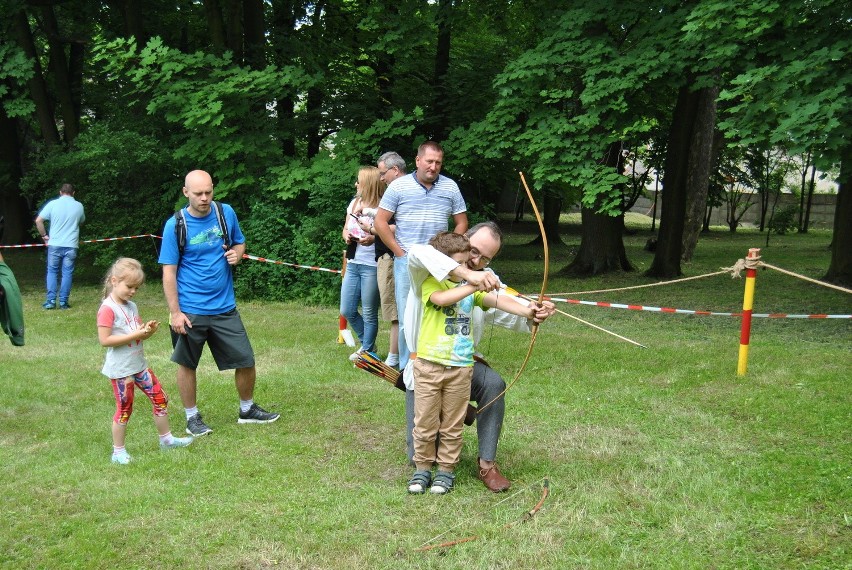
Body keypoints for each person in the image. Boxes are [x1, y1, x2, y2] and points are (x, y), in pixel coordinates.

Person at [406, 221, 556, 492]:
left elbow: (503, 303)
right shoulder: (427, 269)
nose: (477, 261)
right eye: (473, 251)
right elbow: (417, 252)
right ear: (463, 240)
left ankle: (487, 463)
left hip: (462, 366)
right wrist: (468, 275)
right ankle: (426, 464)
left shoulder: (484, 279)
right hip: (425, 364)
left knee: (493, 384)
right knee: (418, 446)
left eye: (485, 258)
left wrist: (533, 311)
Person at [159, 170, 279, 437]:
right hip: (190, 309)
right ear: (185, 192)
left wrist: (237, 254)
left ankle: (247, 410)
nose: (204, 198)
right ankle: (192, 417)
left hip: (225, 306)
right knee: (187, 364)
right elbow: (169, 271)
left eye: (208, 192)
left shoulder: (225, 214)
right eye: (198, 193)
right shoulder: (176, 225)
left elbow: (239, 242)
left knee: (246, 359)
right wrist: (175, 312)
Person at [97, 258, 193, 464]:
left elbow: (137, 334)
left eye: (136, 288)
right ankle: (118, 452)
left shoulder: (131, 306)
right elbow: (105, 340)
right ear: (114, 281)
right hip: (122, 370)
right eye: (129, 286)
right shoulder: (107, 309)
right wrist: (135, 335)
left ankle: (166, 440)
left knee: (160, 399)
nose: (132, 292)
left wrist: (147, 331)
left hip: (139, 366)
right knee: (124, 409)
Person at [356, 152, 407, 367]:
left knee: (395, 309)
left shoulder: (402, 190)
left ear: (395, 170)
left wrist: (372, 229)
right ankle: (399, 355)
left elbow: (399, 225)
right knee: (394, 308)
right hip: (389, 256)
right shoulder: (402, 190)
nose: (381, 178)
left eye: (383, 173)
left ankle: (396, 357)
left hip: (393, 257)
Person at [340, 166, 383, 361]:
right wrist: (347, 236)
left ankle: (366, 351)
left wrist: (373, 239)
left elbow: (388, 233)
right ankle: (368, 343)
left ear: (368, 184)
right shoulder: (354, 203)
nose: (356, 184)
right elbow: (344, 229)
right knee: (347, 309)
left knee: (369, 311)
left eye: (359, 181)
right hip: (353, 261)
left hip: (372, 265)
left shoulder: (382, 207)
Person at [35, 183, 85, 310]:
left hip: (55, 244)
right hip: (71, 245)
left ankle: (51, 301)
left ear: (60, 192)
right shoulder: (79, 206)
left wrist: (44, 235)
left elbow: (38, 221)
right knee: (67, 273)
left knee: (52, 271)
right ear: (73, 193)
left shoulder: (53, 204)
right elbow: (81, 221)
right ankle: (63, 302)